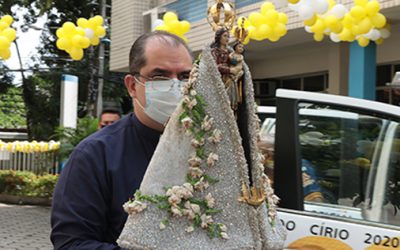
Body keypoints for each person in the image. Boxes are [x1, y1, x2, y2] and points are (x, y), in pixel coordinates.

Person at [50, 31, 193, 249]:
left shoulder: (207, 146)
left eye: (185, 77)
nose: (175, 86)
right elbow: (71, 242)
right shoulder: (95, 155)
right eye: (160, 76)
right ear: (132, 86)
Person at [210, 28, 241, 112]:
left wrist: (238, 58)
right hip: (220, 79)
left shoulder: (228, 52)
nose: (227, 38)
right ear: (219, 37)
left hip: (230, 78)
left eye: (228, 36)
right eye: (225, 36)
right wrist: (230, 70)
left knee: (231, 102)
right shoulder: (214, 51)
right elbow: (214, 66)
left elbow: (232, 62)